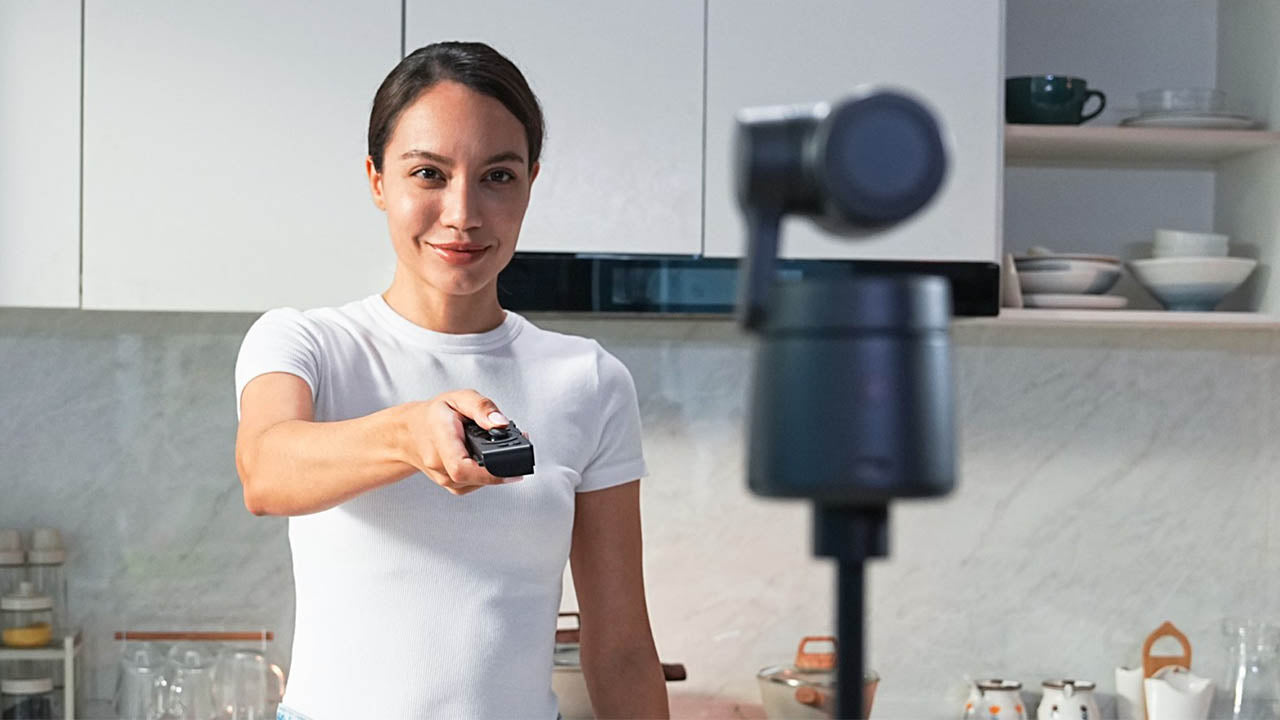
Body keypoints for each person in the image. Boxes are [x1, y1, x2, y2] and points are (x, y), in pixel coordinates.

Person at [233, 41, 668, 719]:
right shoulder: (307, 342)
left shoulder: (588, 379)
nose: (463, 213)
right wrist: (408, 432)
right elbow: (265, 469)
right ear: (378, 180)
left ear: (530, 183)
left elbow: (620, 649)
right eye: (429, 174)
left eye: (498, 176)